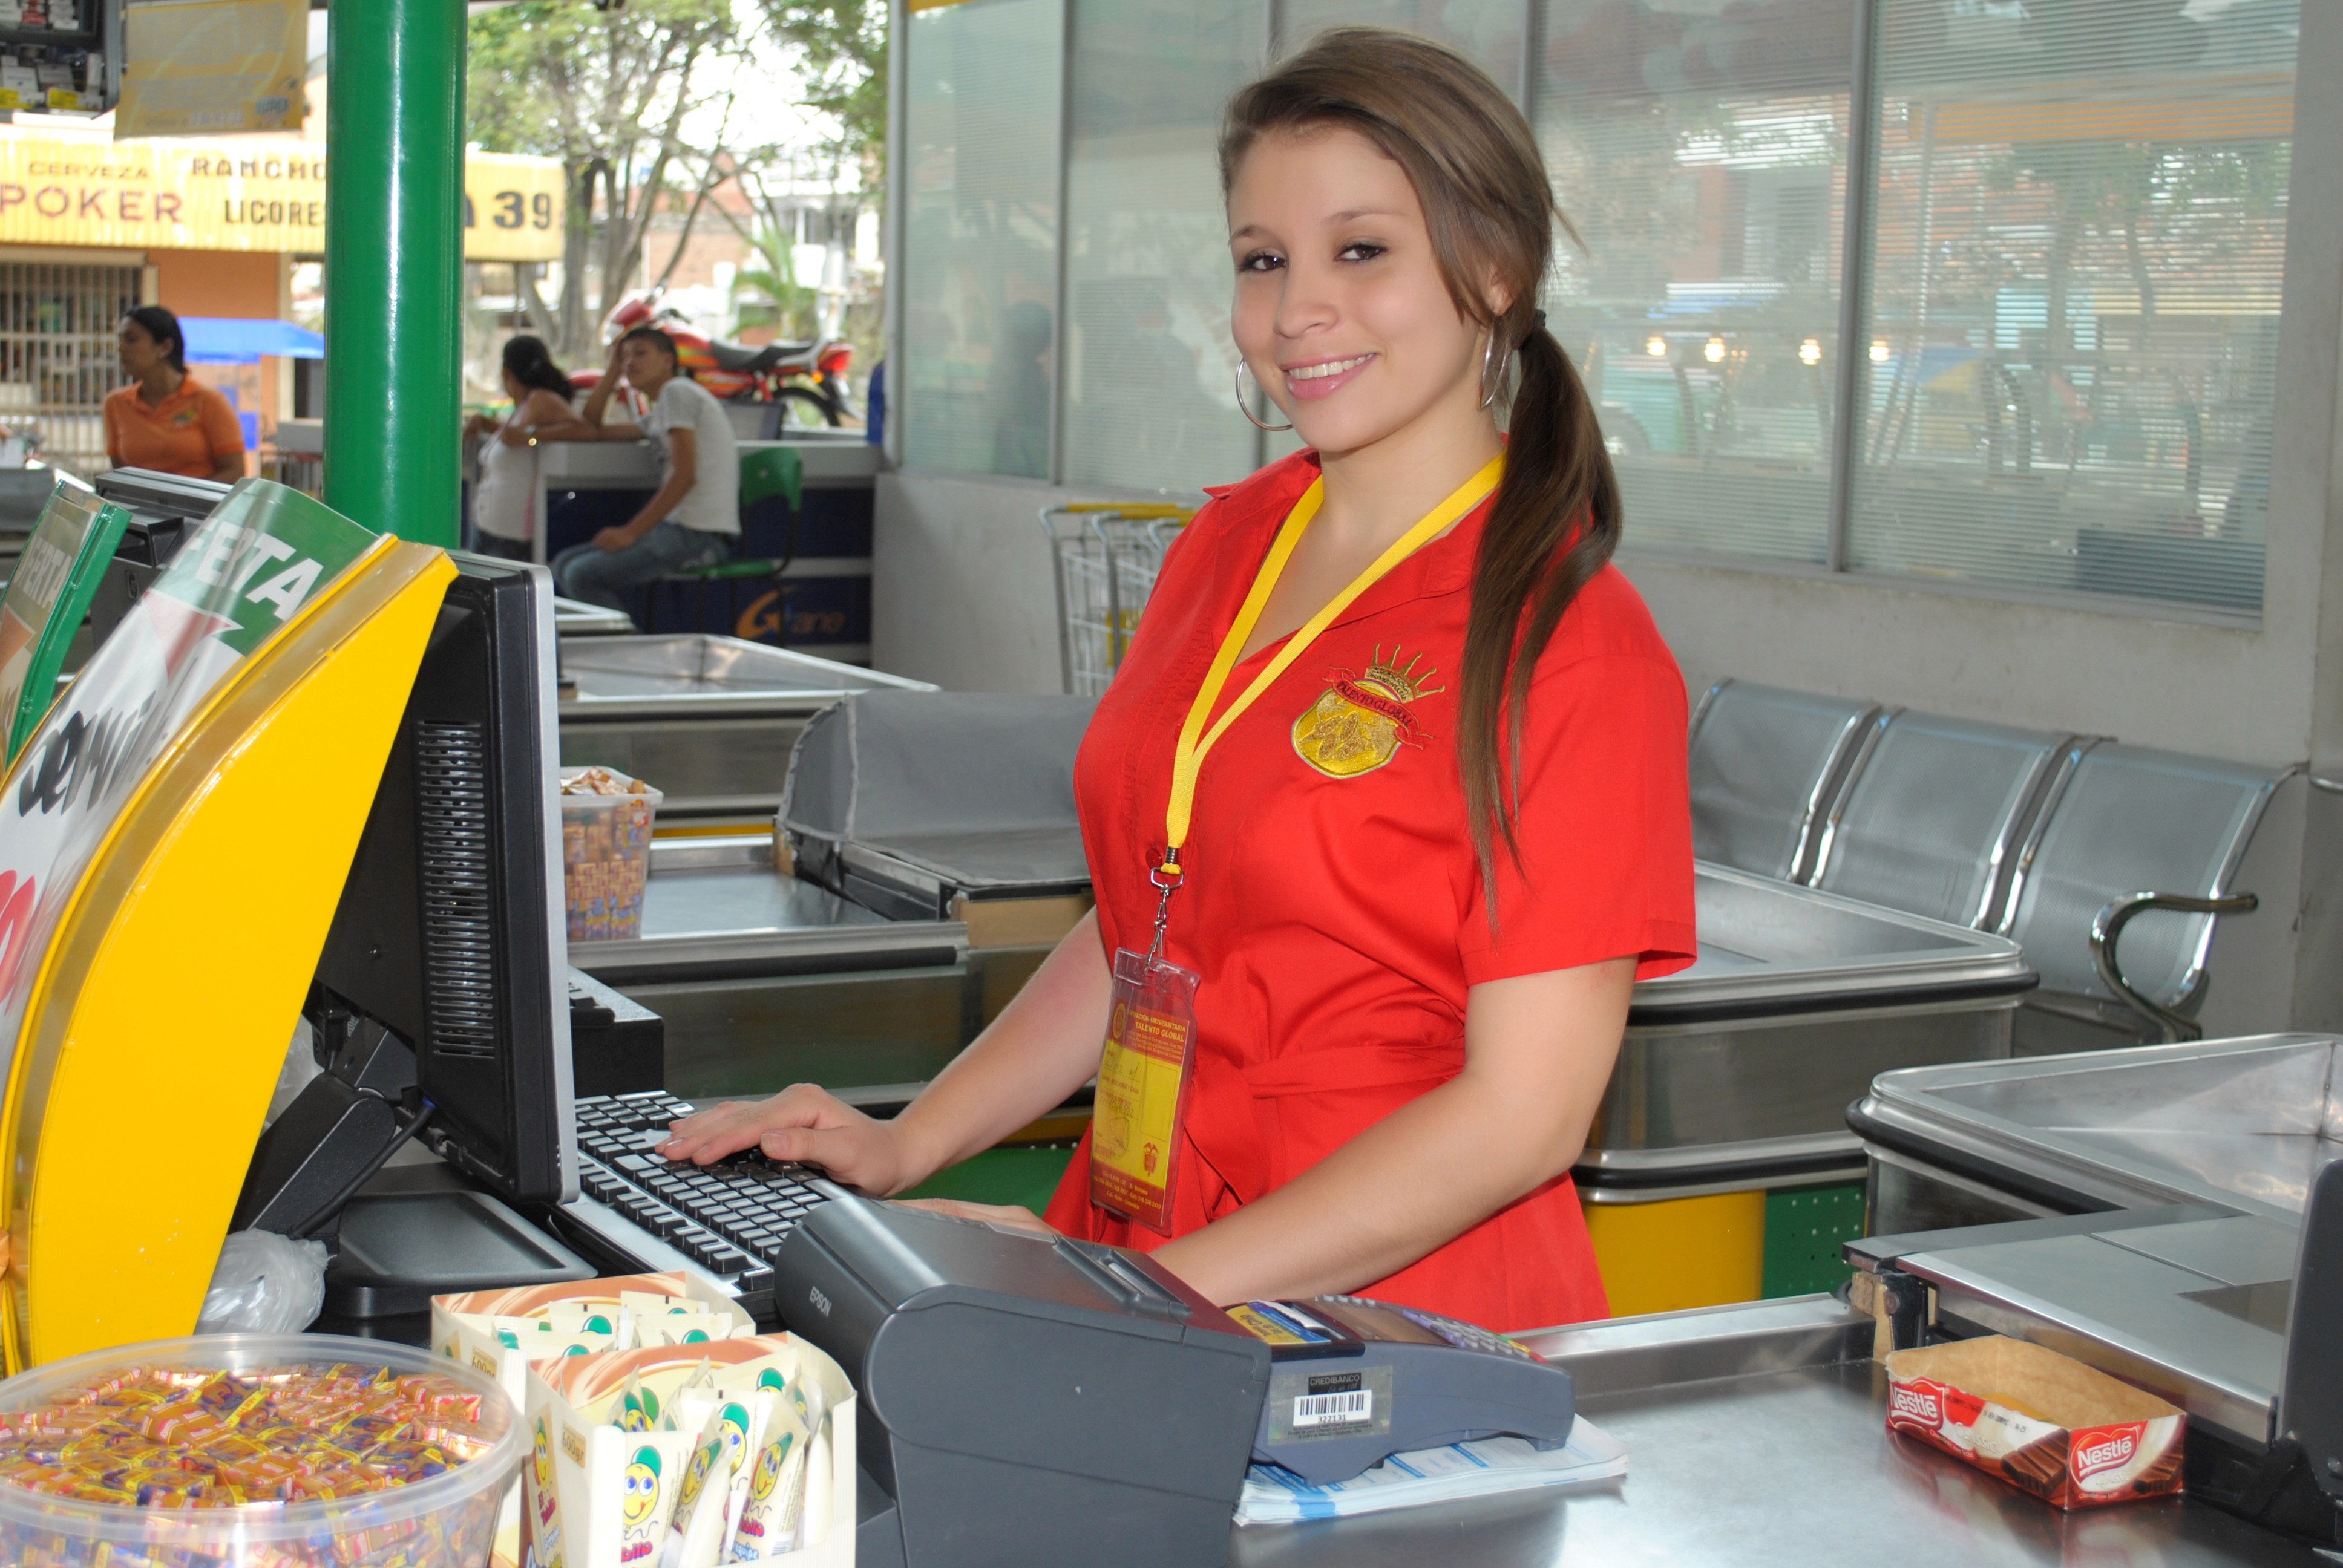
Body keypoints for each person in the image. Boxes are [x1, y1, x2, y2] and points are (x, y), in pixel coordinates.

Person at [658, 27, 1696, 1331]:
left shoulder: (1571, 646)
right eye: (1263, 261)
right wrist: (904, 1142)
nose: (1296, 308)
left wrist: (1142, 1295)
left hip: (1392, 1333)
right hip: (1145, 1264)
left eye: (1359, 250)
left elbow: (1521, 1116)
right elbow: (1150, 927)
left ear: (1492, 269)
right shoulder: (1229, 545)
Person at [553, 326, 739, 615]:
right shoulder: (659, 413)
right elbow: (591, 429)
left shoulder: (677, 392)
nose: (630, 363)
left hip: (698, 535)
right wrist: (612, 374)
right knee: (563, 565)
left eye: (640, 353)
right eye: (624, 357)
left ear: (668, 361)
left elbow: (684, 476)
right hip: (675, 530)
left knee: (580, 574)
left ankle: (626, 652)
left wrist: (630, 532)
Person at [464, 336, 591, 561]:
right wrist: (486, 423)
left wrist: (531, 438)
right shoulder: (523, 406)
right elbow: (512, 440)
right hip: (488, 527)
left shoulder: (540, 400)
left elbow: (585, 431)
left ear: (506, 373)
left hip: (510, 537)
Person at [103, 305, 246, 483]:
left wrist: (186, 500)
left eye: (131, 339)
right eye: (120, 340)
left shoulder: (209, 402)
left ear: (165, 347)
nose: (121, 349)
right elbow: (119, 475)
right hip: (139, 509)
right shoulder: (116, 404)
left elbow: (235, 471)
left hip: (201, 509)